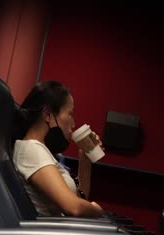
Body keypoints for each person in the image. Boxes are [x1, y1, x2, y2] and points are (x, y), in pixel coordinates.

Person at [12, 80, 104, 217]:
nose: (73, 123)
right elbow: (75, 207)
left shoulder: (44, 151)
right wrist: (97, 210)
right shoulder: (31, 149)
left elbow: (79, 199)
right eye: (70, 114)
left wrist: (85, 161)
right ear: (48, 115)